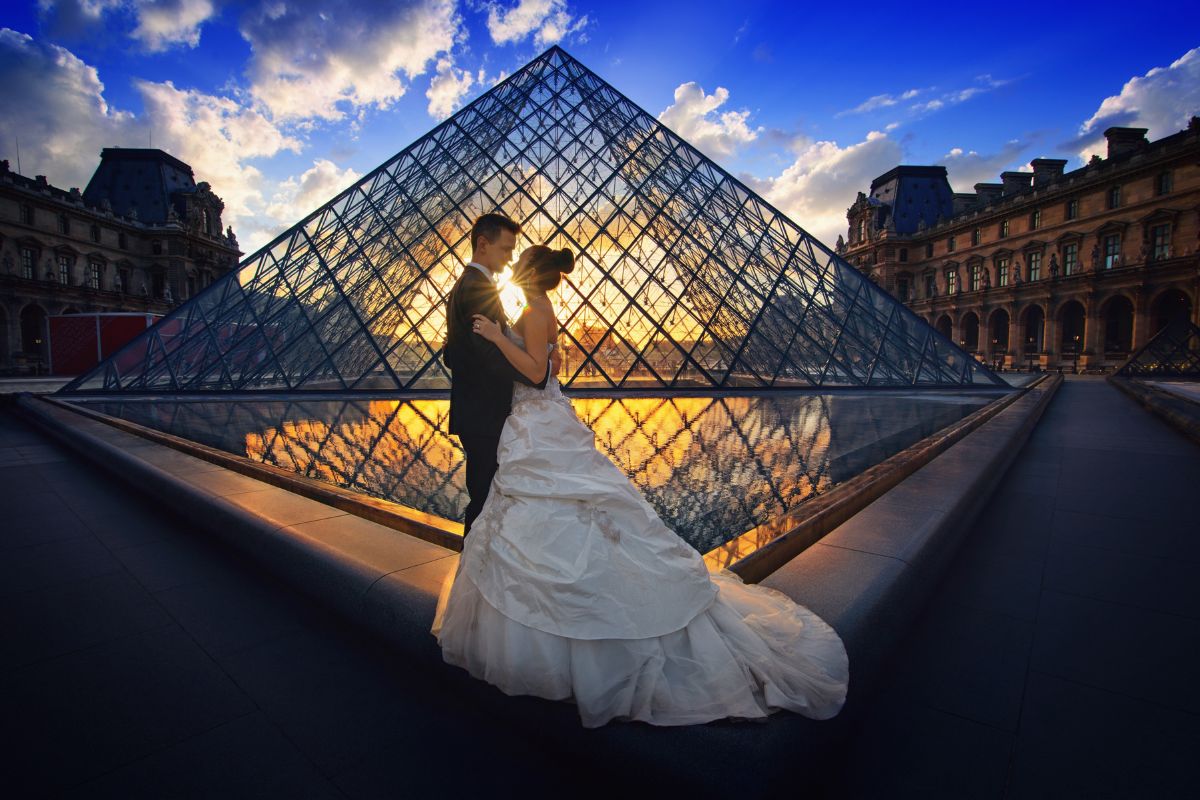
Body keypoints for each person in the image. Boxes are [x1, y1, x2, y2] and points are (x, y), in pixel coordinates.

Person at [432, 244, 849, 728]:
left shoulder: (532, 309)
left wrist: (496, 337)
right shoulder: (540, 308)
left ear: (526, 273)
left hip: (536, 427)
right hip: (540, 426)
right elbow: (553, 363)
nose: (509, 269)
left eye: (515, 264)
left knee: (541, 521)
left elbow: (537, 371)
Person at [442, 213, 557, 534]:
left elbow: (454, 352)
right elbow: (490, 358)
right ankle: (474, 569)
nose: (509, 260)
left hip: (478, 412)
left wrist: (538, 358)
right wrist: (539, 371)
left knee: (486, 495)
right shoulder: (479, 287)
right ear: (483, 244)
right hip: (486, 414)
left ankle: (478, 568)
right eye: (506, 250)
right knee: (484, 498)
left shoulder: (467, 284)